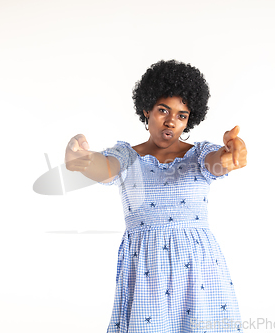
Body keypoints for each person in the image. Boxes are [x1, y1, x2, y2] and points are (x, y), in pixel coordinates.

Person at [65, 59, 247, 332]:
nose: (172, 121)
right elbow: (105, 168)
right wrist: (82, 159)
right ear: (146, 109)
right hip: (147, 271)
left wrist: (231, 154)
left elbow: (217, 162)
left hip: (198, 271)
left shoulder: (199, 155)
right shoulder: (126, 156)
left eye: (182, 115)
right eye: (163, 110)